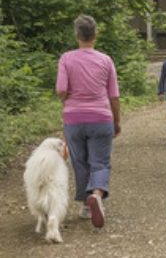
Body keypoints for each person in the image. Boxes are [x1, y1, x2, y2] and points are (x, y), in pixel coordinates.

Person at [56, 14, 121, 228]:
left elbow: (61, 90)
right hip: (101, 117)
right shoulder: (105, 60)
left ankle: (85, 205)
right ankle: (97, 194)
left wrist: (70, 100)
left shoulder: (66, 58)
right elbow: (113, 96)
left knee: (80, 162)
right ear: (95, 35)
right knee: (100, 162)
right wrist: (117, 121)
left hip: (74, 120)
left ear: (77, 35)